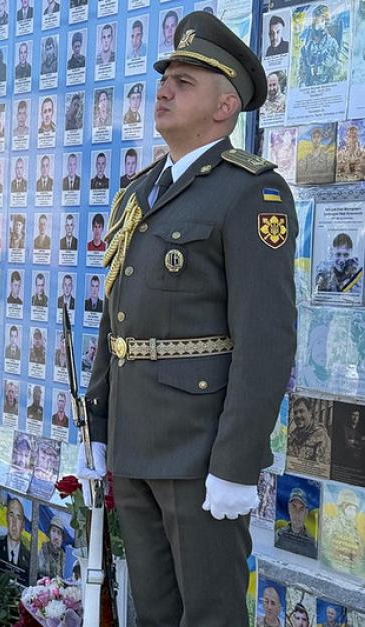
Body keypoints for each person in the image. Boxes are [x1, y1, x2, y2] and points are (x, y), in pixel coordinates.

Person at [81, 12, 297, 625]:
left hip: (200, 450)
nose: (165, 89)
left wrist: (235, 465)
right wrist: (99, 426)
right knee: (151, 610)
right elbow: (116, 320)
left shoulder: (251, 192)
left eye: (185, 80)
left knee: (210, 614)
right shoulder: (140, 191)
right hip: (136, 437)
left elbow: (267, 340)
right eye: (165, 78)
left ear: (226, 105)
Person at [274, 488, 317, 558]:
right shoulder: (278, 536)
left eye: (301, 508)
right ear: (288, 509)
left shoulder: (313, 545)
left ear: (306, 512)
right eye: (293, 507)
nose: (297, 513)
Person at [0, 496, 30, 583]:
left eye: (18, 517)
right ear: (6, 518)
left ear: (23, 524)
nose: (14, 523)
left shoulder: (27, 556)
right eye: (11, 515)